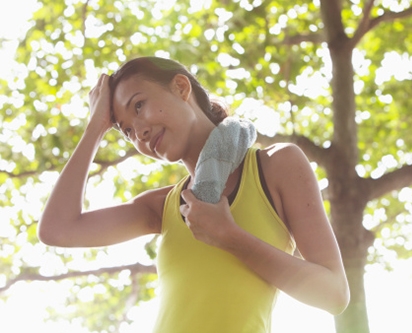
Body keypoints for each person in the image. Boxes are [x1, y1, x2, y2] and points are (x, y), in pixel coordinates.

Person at [38, 57, 349, 333]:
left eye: (139, 105)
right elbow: (57, 229)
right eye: (127, 131)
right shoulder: (163, 206)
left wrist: (230, 237)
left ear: (180, 87)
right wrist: (96, 126)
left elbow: (333, 294)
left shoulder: (275, 165)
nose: (140, 133)